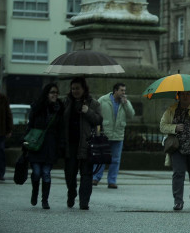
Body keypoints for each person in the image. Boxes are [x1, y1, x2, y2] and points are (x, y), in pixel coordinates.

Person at [63, 76, 103, 210]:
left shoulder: (93, 103)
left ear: (84, 89)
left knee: (86, 174)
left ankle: (84, 201)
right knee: (70, 173)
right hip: (70, 145)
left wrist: (88, 111)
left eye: (78, 88)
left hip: (87, 144)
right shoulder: (66, 102)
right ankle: (71, 193)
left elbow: (98, 120)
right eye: (73, 88)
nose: (75, 91)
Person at [25, 83, 65, 208]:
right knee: (37, 172)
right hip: (36, 144)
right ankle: (34, 193)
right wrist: (26, 142)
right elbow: (30, 126)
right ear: (46, 94)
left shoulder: (59, 108)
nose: (55, 95)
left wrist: (60, 146)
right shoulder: (38, 107)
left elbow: (61, 129)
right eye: (52, 92)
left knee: (46, 172)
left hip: (50, 145)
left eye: (56, 93)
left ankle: (45, 200)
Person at [93, 82, 134, 189]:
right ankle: (95, 178)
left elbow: (131, 115)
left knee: (115, 159)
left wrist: (126, 103)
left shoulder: (125, 102)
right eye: (122, 90)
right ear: (115, 91)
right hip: (104, 134)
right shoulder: (103, 100)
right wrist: (97, 132)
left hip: (118, 135)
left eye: (124, 90)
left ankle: (112, 181)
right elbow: (96, 116)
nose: (124, 93)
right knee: (100, 158)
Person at [0, 87, 13, 181]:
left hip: (0, 129)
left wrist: (9, 129)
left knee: (0, 151)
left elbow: (8, 114)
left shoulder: (3, 98)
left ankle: (0, 173)